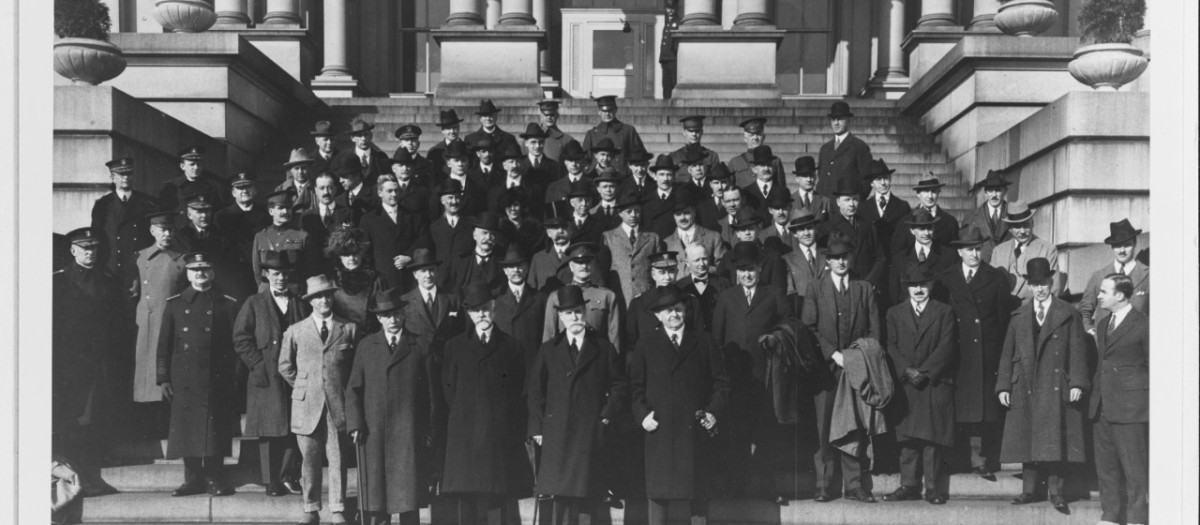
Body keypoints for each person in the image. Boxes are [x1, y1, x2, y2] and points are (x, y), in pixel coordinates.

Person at [629, 284, 730, 525]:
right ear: (658, 315)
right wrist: (643, 416)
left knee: (696, 493)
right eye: (667, 311)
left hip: (693, 431)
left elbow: (721, 383)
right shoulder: (646, 343)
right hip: (659, 430)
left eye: (677, 309)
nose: (673, 314)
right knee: (658, 494)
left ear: (685, 310)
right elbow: (635, 388)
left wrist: (713, 412)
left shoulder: (703, 341)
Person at [527, 284, 628, 525]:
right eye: (568, 313)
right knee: (559, 498)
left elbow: (620, 386)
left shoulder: (602, 348)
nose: (574, 317)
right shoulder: (548, 350)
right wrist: (538, 427)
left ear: (585, 312)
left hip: (589, 433)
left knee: (587, 497)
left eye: (578, 312)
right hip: (557, 434)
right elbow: (534, 391)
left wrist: (605, 416)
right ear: (560, 316)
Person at [995, 258, 1089, 514]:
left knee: (1054, 439)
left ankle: (1058, 493)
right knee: (1028, 437)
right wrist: (1004, 385)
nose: (1040, 289)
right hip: (1024, 383)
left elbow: (1077, 351)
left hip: (1056, 384)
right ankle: (1029, 490)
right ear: (1029, 285)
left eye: (1044, 283)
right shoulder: (1019, 315)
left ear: (1051, 282)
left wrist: (1077, 382)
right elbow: (1007, 352)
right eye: (1034, 284)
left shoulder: (1067, 313)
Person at [346, 289, 441, 525]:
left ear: (403, 314)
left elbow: (431, 393)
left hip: (408, 431)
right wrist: (355, 424)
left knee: (408, 498)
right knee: (376, 500)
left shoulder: (419, 345)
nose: (393, 320)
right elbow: (353, 389)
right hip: (373, 431)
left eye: (397, 314)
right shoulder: (367, 346)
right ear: (379, 318)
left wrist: (429, 428)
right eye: (387, 315)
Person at [440, 283, 529, 525]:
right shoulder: (455, 346)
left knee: (498, 502)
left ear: (494, 309)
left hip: (498, 435)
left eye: (486, 309)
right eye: (476, 310)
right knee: (467, 503)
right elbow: (448, 390)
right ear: (468, 314)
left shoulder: (511, 346)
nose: (481, 315)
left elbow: (519, 392)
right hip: (465, 437)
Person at [801, 237, 881, 503]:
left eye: (845, 257)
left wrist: (858, 358)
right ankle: (823, 484)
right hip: (826, 370)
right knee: (824, 426)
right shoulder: (815, 288)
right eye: (836, 258)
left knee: (854, 426)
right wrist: (834, 354)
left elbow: (874, 331)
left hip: (856, 368)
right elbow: (809, 329)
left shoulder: (864, 288)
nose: (841, 262)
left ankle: (855, 485)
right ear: (828, 261)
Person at [711, 241, 792, 504]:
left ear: (760, 268)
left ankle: (769, 487)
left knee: (767, 432)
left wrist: (774, 337)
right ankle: (736, 487)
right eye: (743, 269)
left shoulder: (773, 293)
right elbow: (718, 338)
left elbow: (788, 327)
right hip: (735, 379)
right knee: (737, 434)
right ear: (736, 271)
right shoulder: (727, 297)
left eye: (752, 269)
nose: (747, 274)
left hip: (766, 376)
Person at [157, 252, 239, 497]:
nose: (200, 274)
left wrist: (235, 377)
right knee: (186, 429)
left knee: (215, 428)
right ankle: (192, 479)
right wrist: (163, 378)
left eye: (205, 269)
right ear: (188, 273)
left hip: (217, 377)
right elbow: (164, 345)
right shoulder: (175, 304)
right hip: (185, 379)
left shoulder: (227, 303)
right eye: (195, 270)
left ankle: (214, 477)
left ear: (212, 273)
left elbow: (236, 345)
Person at [936, 228, 1015, 481]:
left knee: (982, 408)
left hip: (985, 352)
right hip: (957, 351)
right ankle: (959, 457)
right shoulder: (946, 278)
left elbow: (1002, 319)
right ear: (960, 251)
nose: (974, 254)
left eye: (978, 248)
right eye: (969, 249)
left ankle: (981, 460)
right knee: (959, 406)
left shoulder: (995, 277)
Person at [279, 275, 358, 525]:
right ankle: (310, 507)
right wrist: (303, 386)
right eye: (318, 297)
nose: (324, 300)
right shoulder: (296, 330)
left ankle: (337, 508)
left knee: (337, 458)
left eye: (327, 296)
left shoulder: (349, 328)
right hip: (306, 405)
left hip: (338, 404)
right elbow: (284, 366)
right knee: (309, 459)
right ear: (310, 301)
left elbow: (356, 367)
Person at [52, 228, 123, 496]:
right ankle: (82, 474)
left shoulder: (108, 280)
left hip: (101, 362)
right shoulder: (59, 282)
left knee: (97, 415)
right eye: (84, 249)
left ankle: (93, 470)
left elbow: (117, 321)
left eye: (93, 248)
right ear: (73, 251)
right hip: (69, 364)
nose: (90, 253)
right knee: (73, 418)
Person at [232, 250, 309, 497]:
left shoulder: (299, 303)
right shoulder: (254, 303)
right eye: (276, 274)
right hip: (265, 377)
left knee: (293, 427)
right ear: (266, 275)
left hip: (293, 377)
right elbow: (241, 338)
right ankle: (270, 480)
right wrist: (257, 364)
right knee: (269, 431)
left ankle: (287, 475)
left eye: (285, 274)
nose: (281, 279)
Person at [882, 268, 957, 505]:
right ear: (906, 287)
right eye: (913, 285)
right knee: (907, 439)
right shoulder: (894, 313)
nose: (918, 289)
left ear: (931, 286)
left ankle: (933, 488)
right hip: (906, 383)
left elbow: (947, 346)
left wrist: (924, 372)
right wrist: (906, 370)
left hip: (933, 382)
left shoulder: (944, 312)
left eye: (923, 285)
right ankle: (909, 485)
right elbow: (890, 346)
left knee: (931, 439)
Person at [1088, 273, 1149, 525]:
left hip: (1130, 410)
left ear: (1120, 295)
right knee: (1107, 470)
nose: (1098, 296)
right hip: (1101, 408)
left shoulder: (1144, 324)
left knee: (1135, 472)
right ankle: (1110, 517)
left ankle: (1136, 519)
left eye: (1103, 291)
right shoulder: (1103, 324)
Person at [133, 212, 189, 406]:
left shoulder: (182, 260)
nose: (167, 234)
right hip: (145, 322)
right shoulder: (140, 257)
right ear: (152, 231)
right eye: (162, 230)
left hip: (168, 321)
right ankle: (145, 410)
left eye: (171, 230)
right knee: (145, 368)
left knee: (164, 365)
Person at [91, 156, 159, 291]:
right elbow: (96, 238)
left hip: (138, 269)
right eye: (121, 174)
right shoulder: (103, 205)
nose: (125, 178)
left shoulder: (146, 204)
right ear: (112, 177)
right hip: (111, 269)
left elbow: (152, 240)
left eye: (129, 174)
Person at [542, 242, 622, 352]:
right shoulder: (556, 296)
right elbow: (549, 335)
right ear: (571, 266)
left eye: (588, 262)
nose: (584, 266)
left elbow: (614, 337)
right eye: (579, 262)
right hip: (565, 355)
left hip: (597, 355)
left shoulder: (607, 296)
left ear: (593, 265)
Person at [1076, 219, 1149, 336]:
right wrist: (1090, 331)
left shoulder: (1149, 276)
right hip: (1105, 347)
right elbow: (1084, 310)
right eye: (1118, 246)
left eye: (1127, 245)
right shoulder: (1099, 276)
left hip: (1136, 348)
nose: (1122, 250)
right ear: (1112, 247)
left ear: (1135, 244)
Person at [359, 175, 430, 292]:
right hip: (384, 280)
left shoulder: (413, 216)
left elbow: (424, 239)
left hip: (410, 278)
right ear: (380, 193)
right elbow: (365, 251)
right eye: (389, 191)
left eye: (396, 191)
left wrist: (409, 256)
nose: (394, 194)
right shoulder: (368, 220)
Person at [399, 248, 466, 365]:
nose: (428, 275)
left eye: (431, 270)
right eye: (423, 271)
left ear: (437, 271)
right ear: (415, 274)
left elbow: (461, 331)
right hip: (418, 362)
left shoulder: (452, 298)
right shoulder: (405, 301)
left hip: (448, 360)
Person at [816, 178, 885, 290]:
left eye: (855, 199)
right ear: (838, 201)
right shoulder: (826, 228)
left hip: (864, 285)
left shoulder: (868, 227)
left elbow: (880, 258)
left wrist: (869, 281)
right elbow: (822, 261)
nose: (852, 204)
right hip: (838, 286)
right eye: (847, 200)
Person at [214, 172, 271, 301]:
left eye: (248, 187)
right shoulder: (222, 217)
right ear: (233, 192)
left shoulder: (266, 215)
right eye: (239, 188)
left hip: (260, 274)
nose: (244, 191)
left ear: (255, 190)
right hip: (235, 275)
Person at [989, 201, 1060, 302]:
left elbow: (1053, 289)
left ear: (1032, 223)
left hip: (1030, 313)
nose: (1022, 231)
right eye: (1017, 226)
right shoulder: (998, 251)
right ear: (1009, 228)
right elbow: (990, 286)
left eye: (1026, 225)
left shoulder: (1047, 249)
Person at [625, 251, 700, 347]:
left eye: (671, 271)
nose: (667, 277)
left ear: (677, 272)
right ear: (653, 275)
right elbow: (630, 344)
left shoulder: (691, 302)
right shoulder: (638, 304)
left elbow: (698, 339)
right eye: (662, 272)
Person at [887, 208, 959, 307]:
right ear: (912, 230)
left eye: (929, 228)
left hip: (939, 316)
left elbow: (954, 292)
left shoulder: (950, 256)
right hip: (908, 317)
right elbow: (894, 293)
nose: (926, 233)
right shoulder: (900, 258)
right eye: (921, 229)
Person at [492, 244, 547, 372]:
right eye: (511, 266)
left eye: (520, 265)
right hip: (504, 365)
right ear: (505, 271)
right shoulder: (496, 299)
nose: (516, 270)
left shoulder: (540, 299)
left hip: (532, 364)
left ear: (527, 268)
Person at [602, 192, 662, 307]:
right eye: (628, 212)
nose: (633, 215)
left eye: (637, 211)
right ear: (620, 213)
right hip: (619, 297)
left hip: (646, 296)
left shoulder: (652, 237)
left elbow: (658, 268)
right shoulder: (608, 237)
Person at [325, 225, 384, 334]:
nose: (351, 258)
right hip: (341, 338)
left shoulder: (376, 279)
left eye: (355, 253)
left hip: (370, 339)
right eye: (346, 254)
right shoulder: (332, 281)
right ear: (339, 256)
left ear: (362, 253)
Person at [252, 190, 318, 285]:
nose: (285, 211)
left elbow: (310, 268)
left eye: (288, 208)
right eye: (280, 208)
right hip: (267, 290)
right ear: (271, 211)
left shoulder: (302, 236)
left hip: (294, 291)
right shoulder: (260, 236)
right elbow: (257, 270)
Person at [889, 177, 960, 255]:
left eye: (933, 191)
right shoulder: (905, 221)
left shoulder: (950, 222)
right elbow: (897, 253)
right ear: (918, 194)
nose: (930, 196)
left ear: (938, 193)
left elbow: (955, 255)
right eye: (926, 191)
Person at [815, 102, 873, 197]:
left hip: (846, 206)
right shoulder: (825, 149)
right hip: (825, 205)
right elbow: (821, 177)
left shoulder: (858, 146)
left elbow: (867, 179)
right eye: (833, 119)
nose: (836, 123)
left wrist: (855, 202)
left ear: (848, 120)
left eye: (840, 119)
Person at [662, 191, 726, 277]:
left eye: (686, 213)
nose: (682, 218)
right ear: (673, 216)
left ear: (694, 212)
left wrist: (703, 268)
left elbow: (723, 267)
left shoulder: (713, 237)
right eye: (678, 214)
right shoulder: (666, 243)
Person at [858, 159, 911, 263]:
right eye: (878, 179)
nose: (883, 183)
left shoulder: (902, 206)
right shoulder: (863, 208)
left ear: (890, 179)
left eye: (886, 178)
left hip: (895, 261)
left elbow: (906, 237)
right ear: (871, 183)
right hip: (871, 263)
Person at [716, 212, 787, 288]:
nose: (747, 233)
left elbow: (778, 290)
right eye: (743, 229)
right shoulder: (728, 257)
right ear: (737, 233)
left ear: (758, 230)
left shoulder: (772, 257)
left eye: (751, 228)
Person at [582, 95, 647, 176]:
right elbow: (585, 160)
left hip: (622, 178)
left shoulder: (628, 131)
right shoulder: (592, 134)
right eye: (604, 111)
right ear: (599, 111)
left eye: (610, 111)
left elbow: (640, 156)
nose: (607, 114)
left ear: (616, 110)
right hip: (598, 180)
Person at [441, 211, 506, 290]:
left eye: (492, 234)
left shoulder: (502, 261)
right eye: (484, 233)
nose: (488, 238)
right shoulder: (459, 259)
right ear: (475, 235)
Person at [960, 170, 1012, 263]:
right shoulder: (971, 217)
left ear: (1005, 191)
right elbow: (964, 248)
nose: (994, 195)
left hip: (1007, 269)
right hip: (981, 270)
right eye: (990, 190)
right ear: (986, 192)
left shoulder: (1013, 214)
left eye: (998, 190)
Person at [676, 244, 729, 334]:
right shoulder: (679, 286)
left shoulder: (723, 283)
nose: (702, 264)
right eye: (697, 260)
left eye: (704, 259)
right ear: (687, 263)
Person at [781, 209, 825, 315]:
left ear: (815, 229)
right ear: (795, 234)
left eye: (809, 228)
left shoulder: (828, 254)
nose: (806, 233)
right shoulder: (787, 259)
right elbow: (791, 293)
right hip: (804, 314)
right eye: (801, 229)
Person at [158, 146, 229, 212]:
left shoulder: (210, 188)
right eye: (192, 164)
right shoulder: (171, 188)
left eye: (199, 164)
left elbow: (216, 211)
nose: (196, 168)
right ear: (182, 166)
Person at [528, 200, 575, 293]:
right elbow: (531, 289)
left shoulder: (579, 254)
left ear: (571, 229)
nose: (560, 231)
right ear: (548, 232)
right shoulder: (538, 259)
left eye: (564, 226)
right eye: (555, 227)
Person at [332, 118, 391, 192]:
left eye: (366, 134)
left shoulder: (381, 157)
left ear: (371, 136)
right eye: (359, 135)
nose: (363, 138)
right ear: (352, 138)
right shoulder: (344, 158)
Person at [726, 118, 785, 188]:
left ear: (764, 137)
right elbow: (729, 189)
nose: (755, 138)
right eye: (751, 135)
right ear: (745, 139)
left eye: (758, 134)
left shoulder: (775, 161)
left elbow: (782, 187)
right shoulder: (735, 162)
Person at [740, 145, 789, 225]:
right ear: (754, 169)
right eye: (762, 165)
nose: (766, 168)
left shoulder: (781, 191)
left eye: (769, 165)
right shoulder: (746, 192)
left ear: (774, 167)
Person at [643, 155, 686, 239]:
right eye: (661, 174)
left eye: (669, 175)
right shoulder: (645, 199)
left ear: (673, 177)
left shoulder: (681, 198)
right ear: (655, 176)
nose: (665, 178)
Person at [670, 115, 720, 180]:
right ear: (684, 133)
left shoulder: (711, 156)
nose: (694, 134)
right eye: (690, 131)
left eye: (697, 131)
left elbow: (716, 178)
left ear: (702, 132)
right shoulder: (674, 156)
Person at [517, 122, 563, 186]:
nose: (537, 146)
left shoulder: (554, 166)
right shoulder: (519, 164)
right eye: (533, 142)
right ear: (526, 143)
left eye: (541, 142)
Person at [276, 148, 319, 214]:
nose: (300, 172)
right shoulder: (282, 189)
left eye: (304, 168)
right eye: (296, 168)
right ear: (291, 170)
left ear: (309, 168)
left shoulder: (317, 187)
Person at [695, 163, 732, 232]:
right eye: (716, 183)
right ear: (710, 184)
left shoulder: (735, 204)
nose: (720, 187)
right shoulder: (701, 207)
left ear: (729, 183)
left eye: (723, 182)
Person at [427, 109, 465, 173]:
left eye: (455, 127)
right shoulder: (434, 152)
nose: (452, 131)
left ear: (459, 128)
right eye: (448, 128)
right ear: (443, 131)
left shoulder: (467, 148)